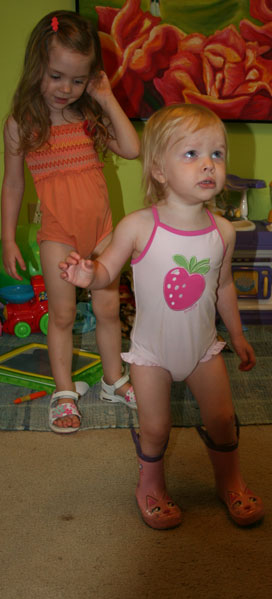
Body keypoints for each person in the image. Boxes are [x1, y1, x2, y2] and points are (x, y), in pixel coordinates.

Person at [59, 103, 264, 528]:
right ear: (158, 170)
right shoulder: (138, 226)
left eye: (217, 154)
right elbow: (106, 272)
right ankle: (149, 486)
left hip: (203, 350)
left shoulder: (224, 231)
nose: (208, 164)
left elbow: (223, 286)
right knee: (156, 428)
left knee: (222, 419)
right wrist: (88, 275)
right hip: (151, 354)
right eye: (191, 153)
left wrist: (238, 336)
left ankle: (230, 480)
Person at [1, 11, 140, 433]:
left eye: (78, 80)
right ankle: (64, 392)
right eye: (56, 76)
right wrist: (8, 239)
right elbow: (13, 185)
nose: (66, 89)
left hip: (102, 232)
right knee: (61, 315)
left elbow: (132, 148)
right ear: (37, 67)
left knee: (108, 308)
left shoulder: (89, 116)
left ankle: (114, 380)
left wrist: (106, 98)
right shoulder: (22, 125)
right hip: (58, 235)